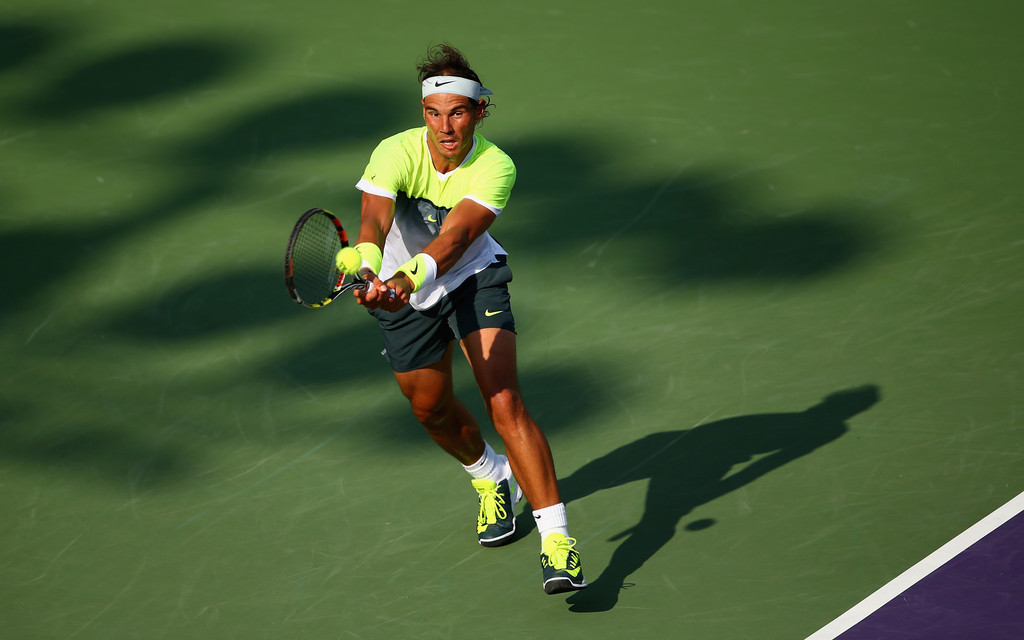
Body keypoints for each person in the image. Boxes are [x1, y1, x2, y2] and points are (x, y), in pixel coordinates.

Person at [339, 44, 586, 595]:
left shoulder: (496, 165)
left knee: (504, 400)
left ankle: (557, 542)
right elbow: (373, 223)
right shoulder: (395, 152)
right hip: (406, 289)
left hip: (473, 277)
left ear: (479, 113)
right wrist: (372, 270)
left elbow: (457, 238)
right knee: (428, 408)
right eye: (434, 113)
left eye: (457, 113)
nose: (445, 126)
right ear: (422, 113)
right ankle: (491, 476)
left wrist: (403, 282)